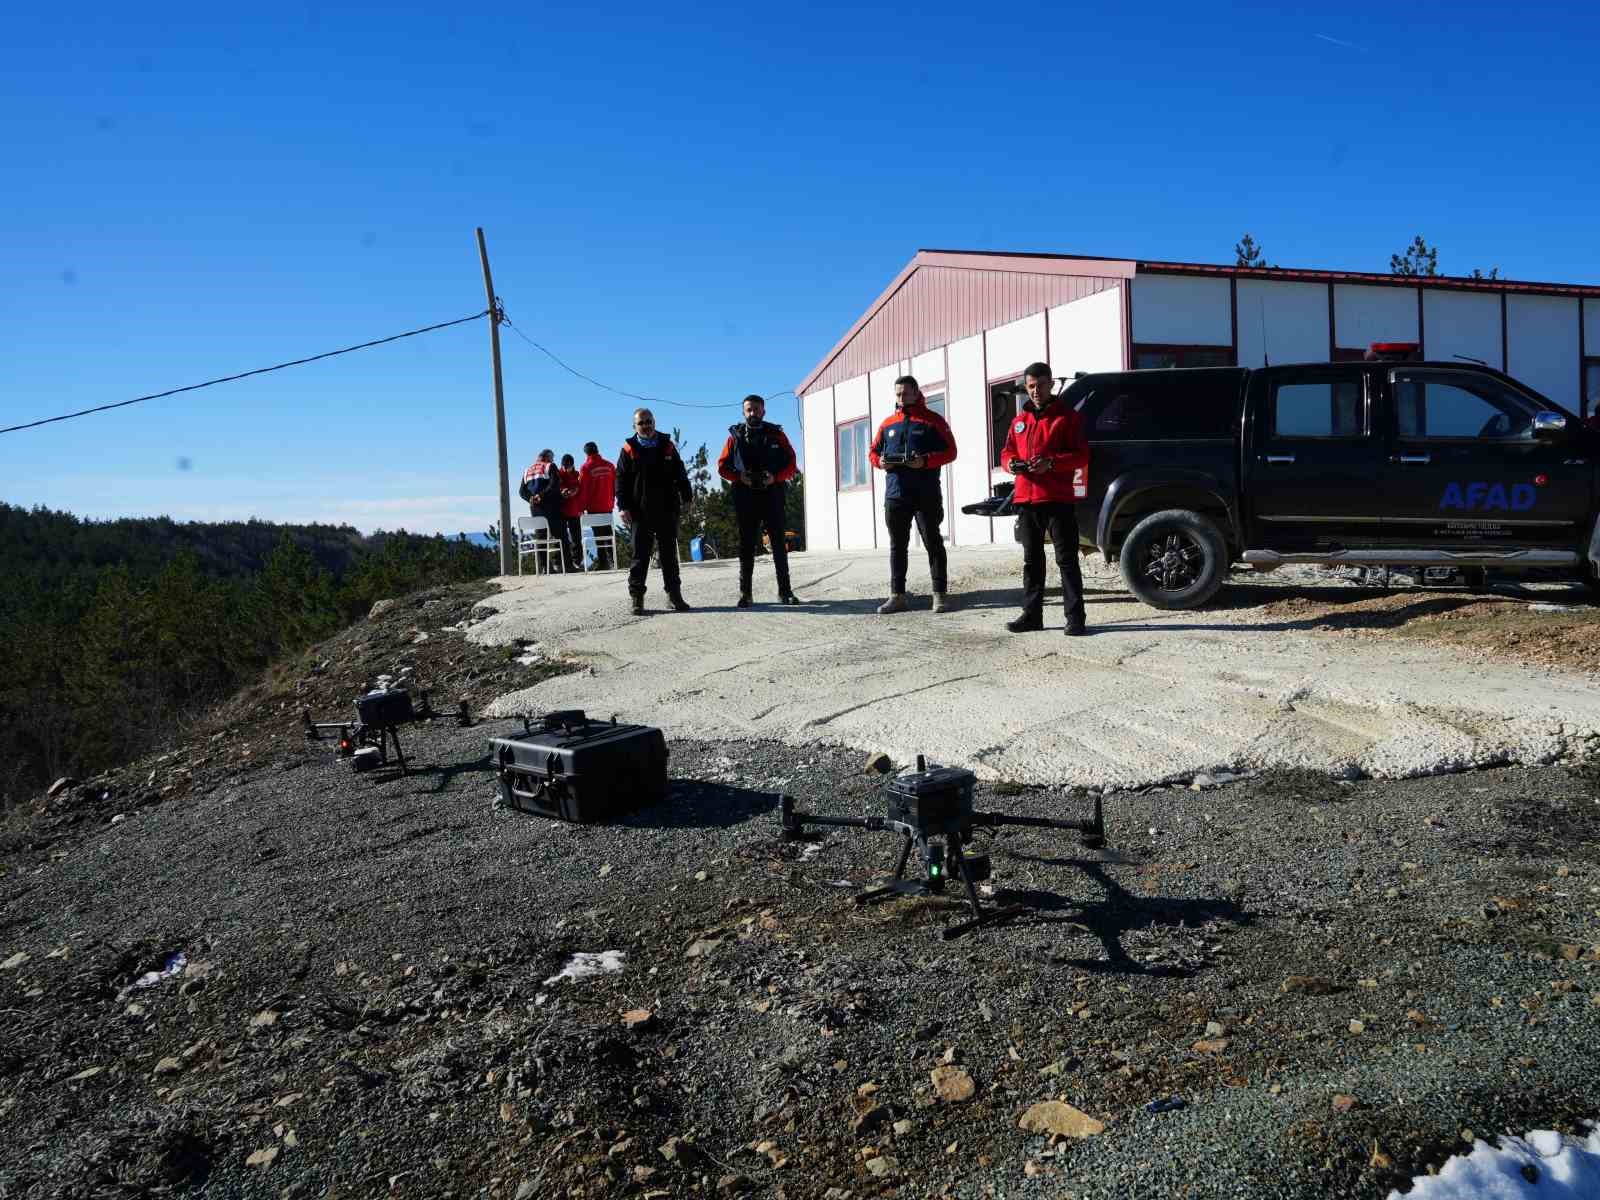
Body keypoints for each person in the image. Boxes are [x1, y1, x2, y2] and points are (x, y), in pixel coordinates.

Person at [1000, 362, 1089, 636]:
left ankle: (1075, 618)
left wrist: (1051, 463)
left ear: (1050, 384)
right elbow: (1006, 453)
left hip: (1057, 500)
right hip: (1027, 501)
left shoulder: (1068, 418)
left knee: (1066, 560)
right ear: (1026, 388)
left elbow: (1081, 456)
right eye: (1031, 386)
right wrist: (1011, 464)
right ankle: (1032, 616)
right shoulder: (1018, 423)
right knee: (1032, 562)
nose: (1036, 391)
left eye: (1040, 385)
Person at [869, 376, 957, 613]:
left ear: (916, 393)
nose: (901, 398)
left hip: (925, 494)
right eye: (898, 394)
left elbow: (951, 452)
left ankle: (939, 594)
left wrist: (925, 461)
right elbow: (873, 453)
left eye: (906, 393)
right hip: (896, 494)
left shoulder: (933, 421)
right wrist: (882, 462)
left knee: (933, 542)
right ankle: (897, 596)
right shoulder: (887, 423)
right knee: (897, 545)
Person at [717, 394, 800, 607]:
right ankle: (746, 594)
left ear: (763, 411)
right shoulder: (734, 437)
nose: (752, 413)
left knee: (779, 545)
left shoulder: (776, 434)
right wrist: (739, 477)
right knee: (746, 547)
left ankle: (785, 592)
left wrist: (775, 477)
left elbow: (791, 462)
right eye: (748, 410)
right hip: (745, 497)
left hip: (772, 494)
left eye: (756, 409)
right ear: (744, 412)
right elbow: (722, 466)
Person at [615, 408, 693, 614]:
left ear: (655, 422)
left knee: (669, 556)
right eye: (641, 423)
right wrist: (622, 507)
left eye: (649, 421)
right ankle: (637, 598)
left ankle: (674, 596)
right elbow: (620, 481)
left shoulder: (667, 445)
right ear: (635, 427)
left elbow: (680, 473)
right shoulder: (628, 449)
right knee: (640, 556)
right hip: (640, 511)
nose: (646, 425)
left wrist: (687, 497)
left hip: (667, 509)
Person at [518, 449, 563, 573]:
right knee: (560, 535)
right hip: (551, 506)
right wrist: (541, 496)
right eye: (552, 458)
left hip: (535, 508)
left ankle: (544, 568)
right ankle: (563, 565)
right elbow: (555, 484)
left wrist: (531, 498)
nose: (553, 460)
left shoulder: (527, 470)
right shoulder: (549, 466)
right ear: (548, 457)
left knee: (541, 537)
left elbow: (521, 491)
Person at [577, 441, 617, 569]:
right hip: (608, 506)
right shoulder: (610, 466)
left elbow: (583, 489)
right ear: (597, 450)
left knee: (598, 536)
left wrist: (581, 507)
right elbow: (616, 485)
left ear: (586, 453)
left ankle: (603, 563)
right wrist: (613, 500)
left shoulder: (585, 467)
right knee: (609, 534)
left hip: (594, 507)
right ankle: (613, 561)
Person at [557, 453, 583, 570]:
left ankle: (577, 561)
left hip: (574, 510)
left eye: (569, 466)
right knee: (561, 538)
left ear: (573, 465)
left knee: (576, 537)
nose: (566, 468)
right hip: (561, 510)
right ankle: (560, 562)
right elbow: (558, 486)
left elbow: (579, 487)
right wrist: (564, 491)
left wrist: (575, 491)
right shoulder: (558, 473)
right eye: (564, 466)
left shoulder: (577, 474)